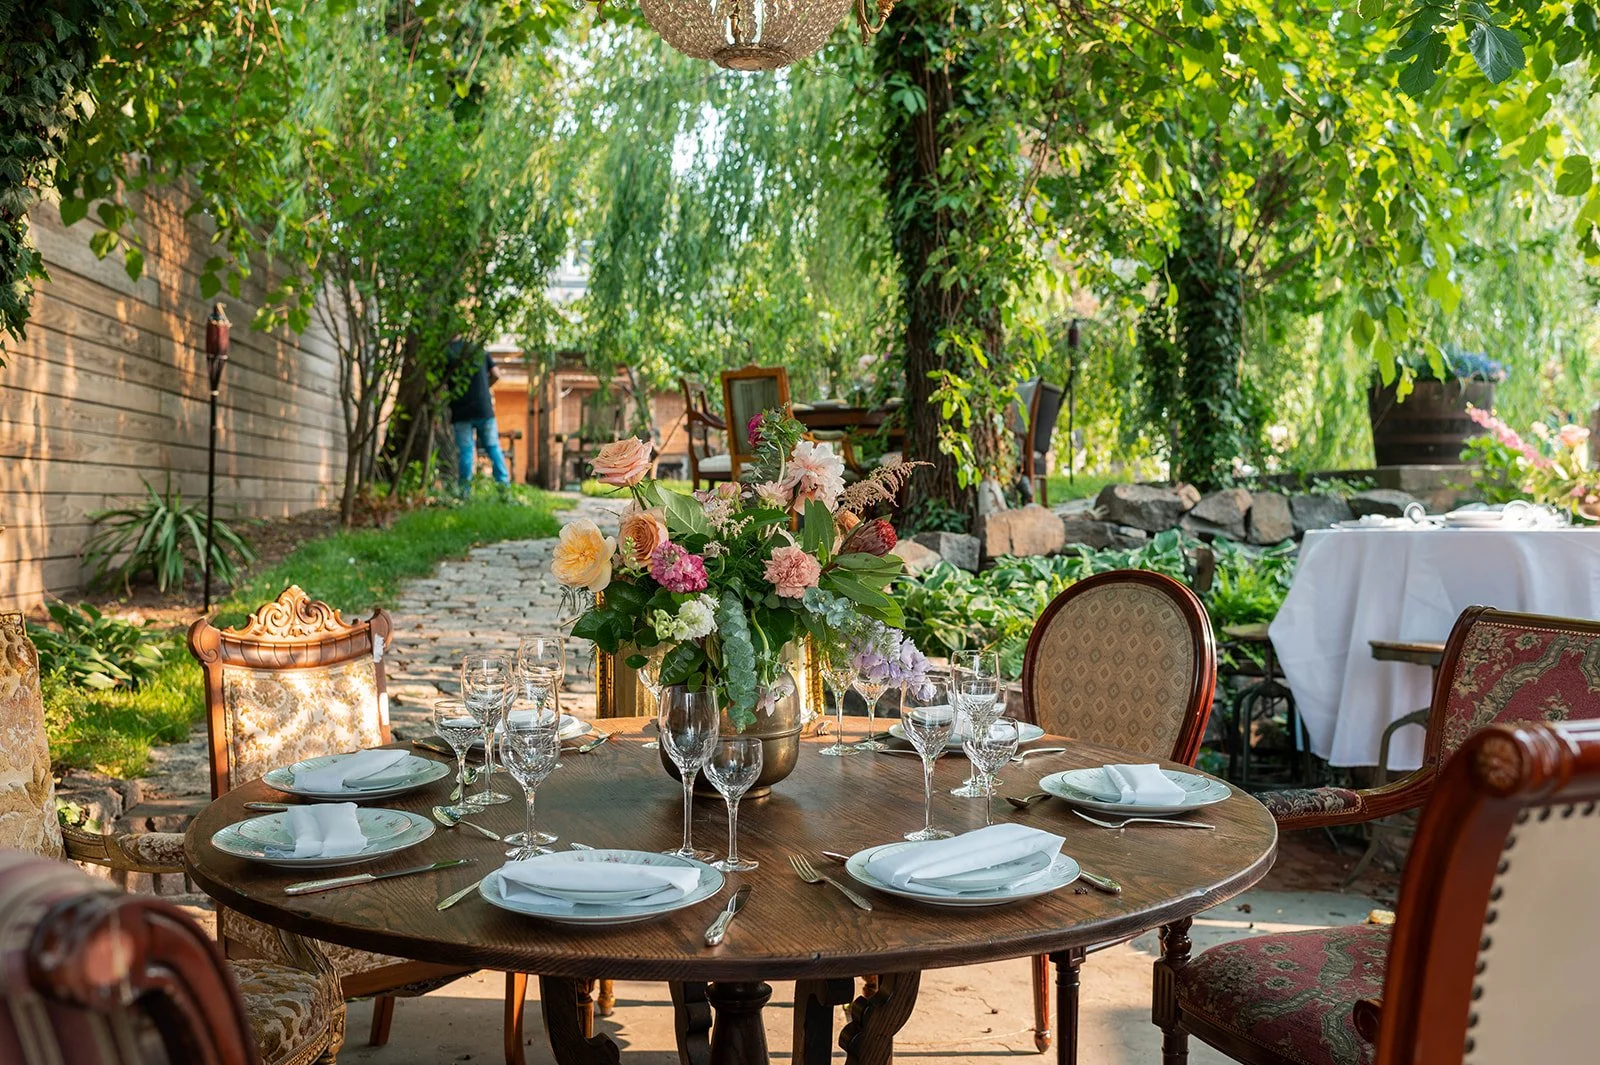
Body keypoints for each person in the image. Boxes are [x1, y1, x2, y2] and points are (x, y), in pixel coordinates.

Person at [446, 339, 511, 492]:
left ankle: (464, 491)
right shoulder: (478, 349)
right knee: (493, 447)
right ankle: (504, 488)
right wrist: (484, 388)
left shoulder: (448, 353)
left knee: (466, 451)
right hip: (483, 408)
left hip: (461, 410)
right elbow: (496, 374)